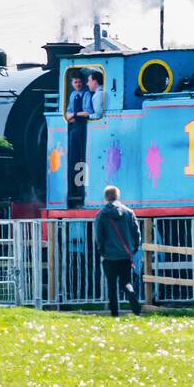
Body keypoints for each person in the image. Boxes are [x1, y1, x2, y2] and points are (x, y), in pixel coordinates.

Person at [94, 185, 141, 316]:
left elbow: (99, 235)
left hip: (109, 256)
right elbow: (137, 233)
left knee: (111, 285)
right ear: (117, 196)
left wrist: (102, 251)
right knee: (126, 282)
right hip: (125, 255)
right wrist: (134, 249)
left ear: (105, 197)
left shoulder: (101, 214)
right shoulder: (129, 213)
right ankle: (132, 296)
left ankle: (114, 313)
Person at [66, 72, 89, 208]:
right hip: (74, 128)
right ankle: (74, 188)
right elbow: (68, 114)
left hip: (83, 129)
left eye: (79, 82)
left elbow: (87, 112)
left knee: (82, 159)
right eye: (75, 82)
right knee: (74, 159)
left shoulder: (86, 94)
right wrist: (74, 115)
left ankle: (81, 190)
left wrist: (74, 115)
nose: (78, 84)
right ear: (72, 83)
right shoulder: (73, 95)